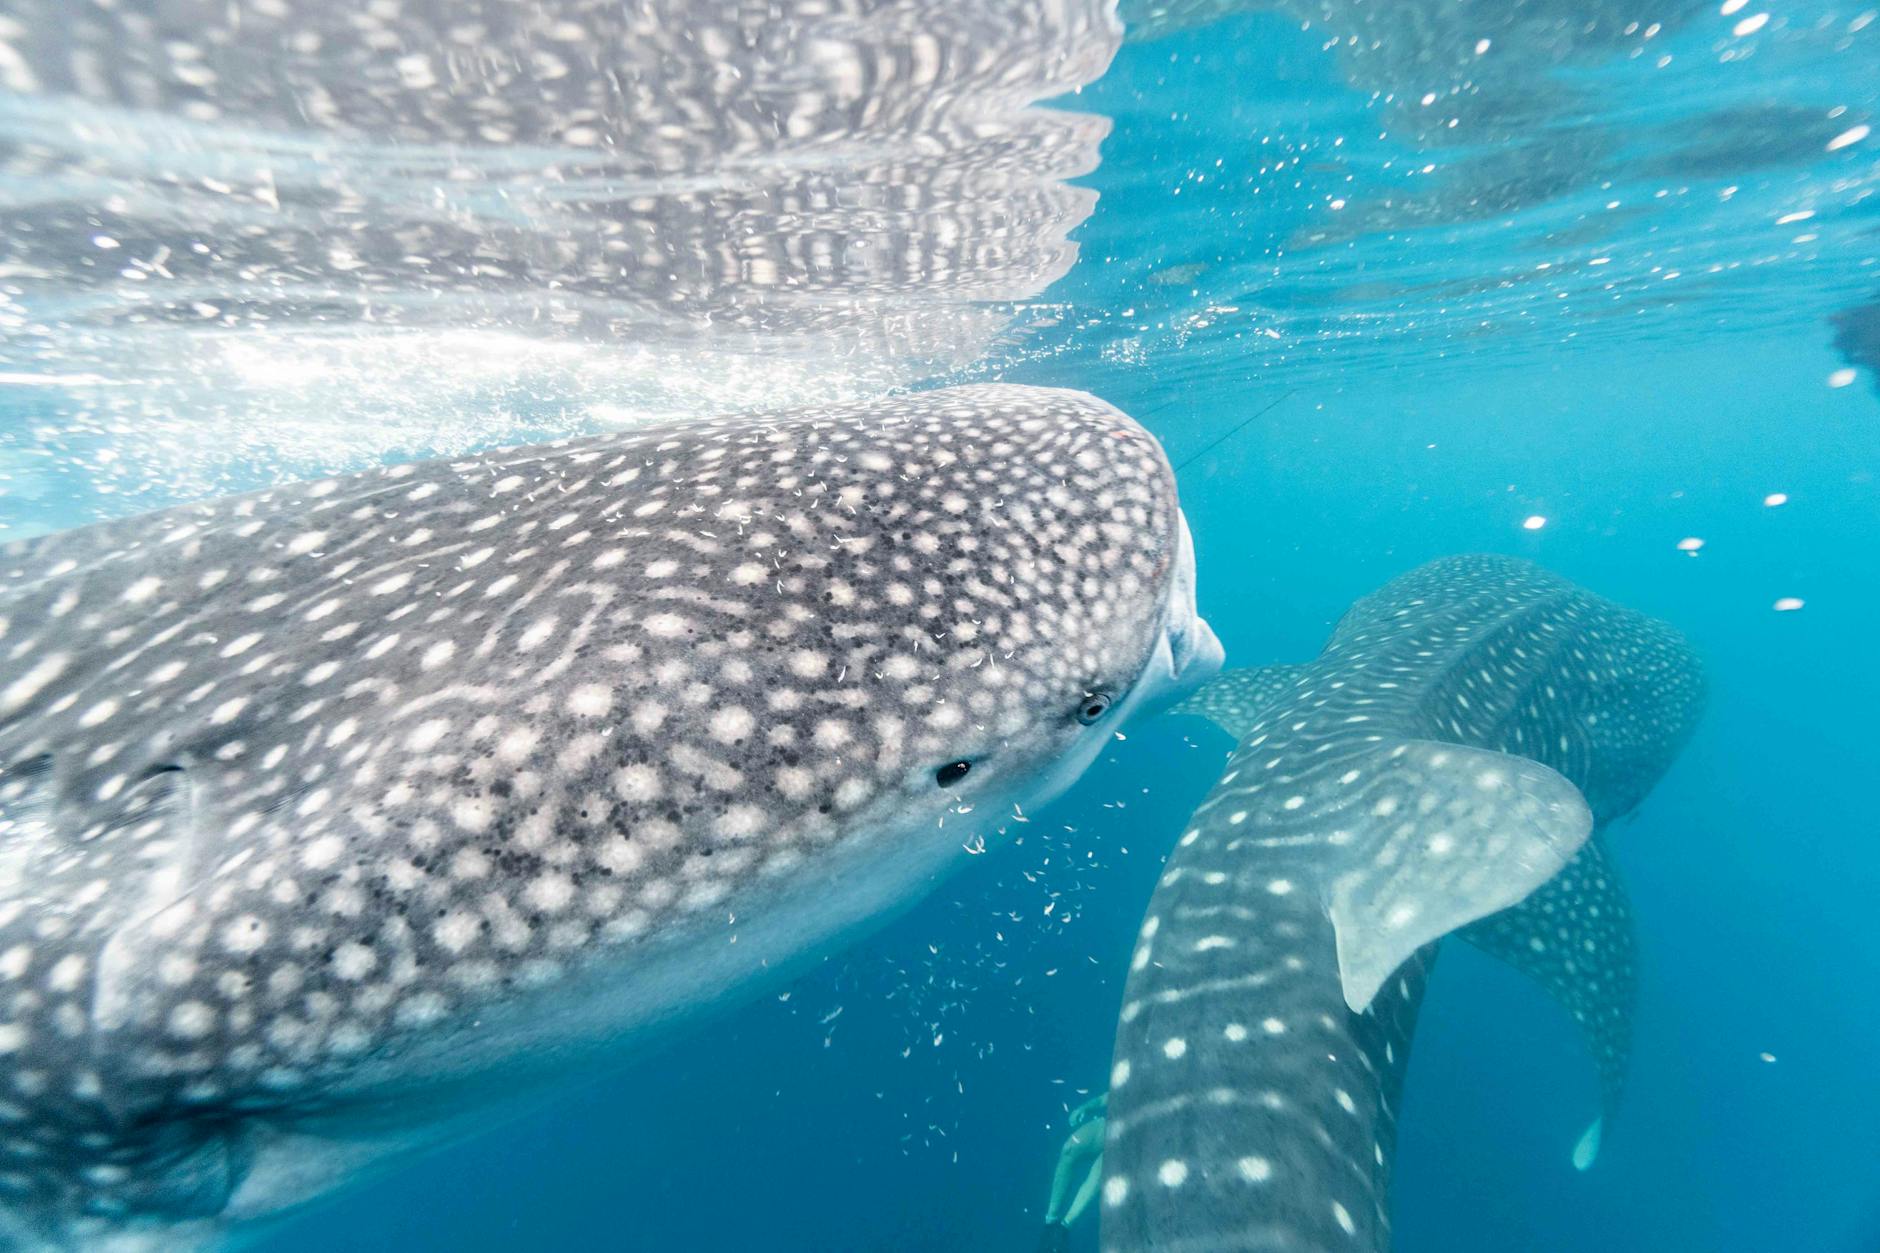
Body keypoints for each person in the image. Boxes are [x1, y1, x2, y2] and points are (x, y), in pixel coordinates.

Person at [1037, 1093, 1108, 1252]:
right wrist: (1086, 1107)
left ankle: (1064, 1228)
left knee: (1102, 1166)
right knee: (1070, 1149)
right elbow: (1112, 1094)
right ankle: (1051, 1222)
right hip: (1113, 1118)